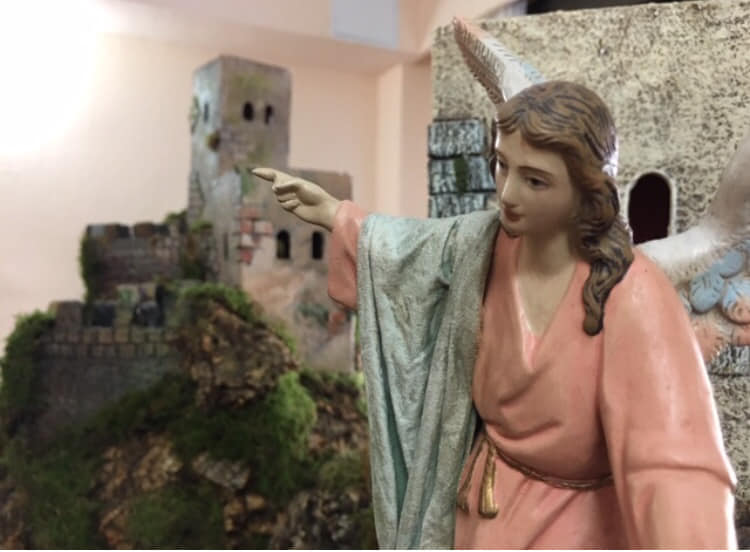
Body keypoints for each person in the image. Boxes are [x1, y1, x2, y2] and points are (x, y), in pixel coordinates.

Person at [252, 80, 737, 549]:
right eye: (503, 166)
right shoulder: (483, 246)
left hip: (577, 526)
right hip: (480, 510)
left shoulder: (632, 295)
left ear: (587, 189)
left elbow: (674, 463)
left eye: (535, 180)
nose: (507, 193)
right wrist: (336, 215)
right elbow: (408, 255)